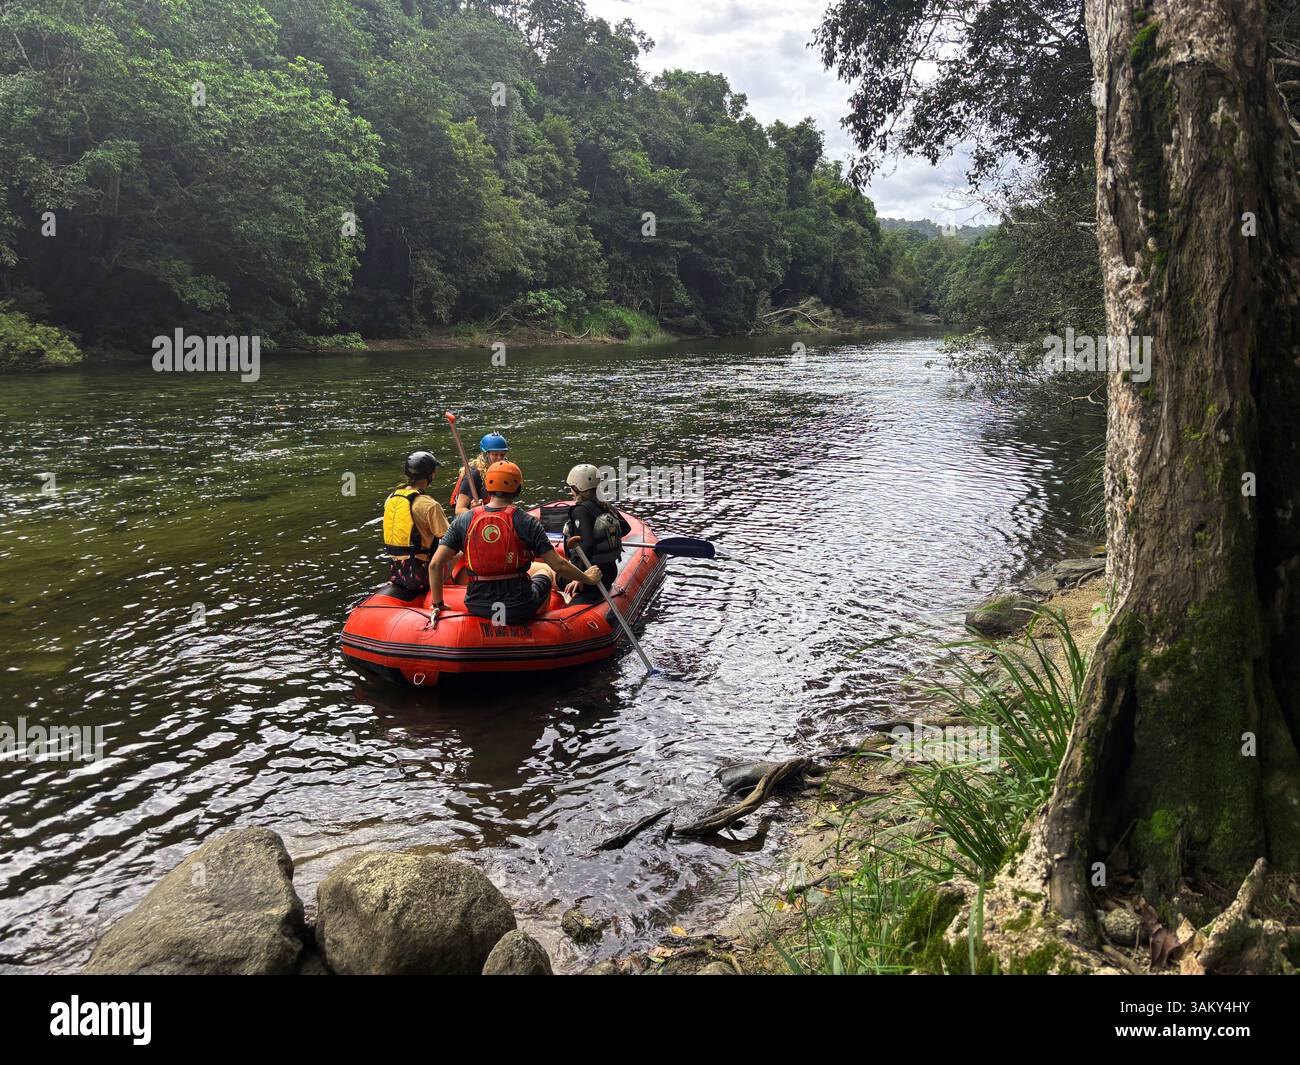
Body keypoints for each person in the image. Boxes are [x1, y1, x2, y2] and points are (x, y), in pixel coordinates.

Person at [428, 460, 602, 624]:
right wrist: (587, 578)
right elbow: (559, 566)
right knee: (545, 572)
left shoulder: (464, 520)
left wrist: (438, 603)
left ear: (487, 487)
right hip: (518, 606)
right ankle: (541, 623)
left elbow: (435, 564)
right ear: (518, 489)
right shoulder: (526, 521)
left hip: (477, 605)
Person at [382, 451, 449, 598]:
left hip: (396, 572)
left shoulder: (391, 498)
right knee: (459, 552)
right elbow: (450, 539)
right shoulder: (429, 505)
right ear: (430, 474)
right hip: (421, 576)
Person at [562, 463, 631, 603]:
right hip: (610, 572)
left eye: (571, 488)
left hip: (590, 579)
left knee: (547, 572)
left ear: (577, 488)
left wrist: (580, 576)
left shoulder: (580, 510)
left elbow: (587, 544)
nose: (570, 492)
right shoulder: (605, 505)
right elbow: (625, 528)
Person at [450, 432, 510, 516]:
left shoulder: (502, 470)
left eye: (502, 454)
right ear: (486, 455)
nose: (499, 458)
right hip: (470, 520)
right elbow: (459, 510)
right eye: (495, 454)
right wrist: (476, 513)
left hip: (491, 515)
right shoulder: (473, 475)